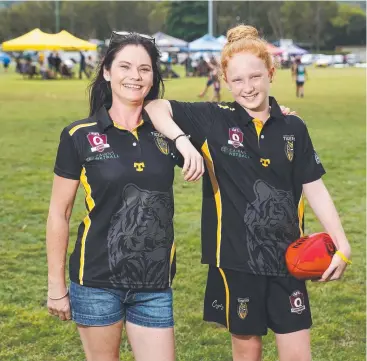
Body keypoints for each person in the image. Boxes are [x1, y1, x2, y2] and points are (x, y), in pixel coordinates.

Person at [145, 24, 352, 361]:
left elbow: (314, 187)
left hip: (290, 259)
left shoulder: (294, 127)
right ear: (226, 81)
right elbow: (154, 108)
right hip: (236, 261)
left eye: (255, 77)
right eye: (237, 80)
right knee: (247, 351)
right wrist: (184, 142)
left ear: (271, 73)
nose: (247, 87)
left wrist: (341, 242)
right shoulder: (214, 120)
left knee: (299, 354)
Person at [46, 31, 201, 361]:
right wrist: (56, 286)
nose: (135, 76)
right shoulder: (79, 135)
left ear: (154, 76)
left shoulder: (168, 132)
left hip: (155, 283)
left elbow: (227, 122)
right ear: (106, 70)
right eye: (126, 67)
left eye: (145, 69)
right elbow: (59, 212)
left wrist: (272, 112)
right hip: (97, 280)